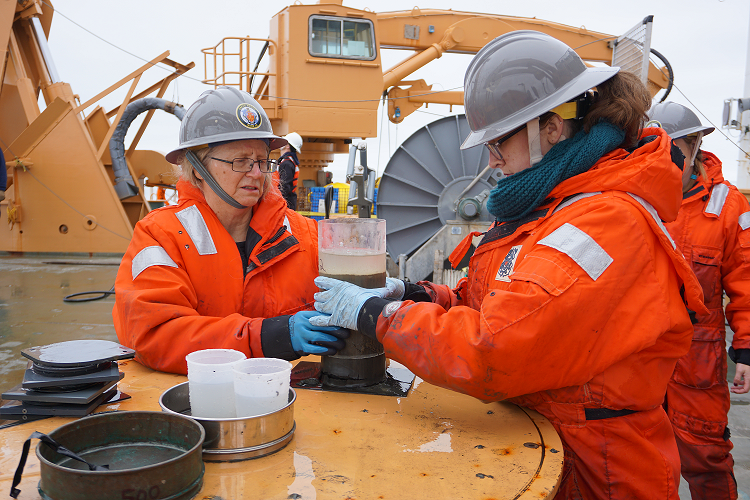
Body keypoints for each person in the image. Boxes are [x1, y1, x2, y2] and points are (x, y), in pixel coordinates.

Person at [311, 31, 707, 499]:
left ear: (552, 129)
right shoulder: (554, 207)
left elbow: (497, 348)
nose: (492, 158)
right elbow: (503, 303)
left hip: (599, 469)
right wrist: (422, 296)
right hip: (548, 440)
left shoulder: (604, 222)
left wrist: (377, 316)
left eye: (499, 141)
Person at [112, 87, 347, 374]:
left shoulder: (304, 234)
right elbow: (154, 334)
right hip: (201, 402)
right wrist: (267, 337)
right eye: (240, 161)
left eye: (262, 161)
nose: (257, 173)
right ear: (197, 168)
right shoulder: (161, 236)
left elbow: (355, 298)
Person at [648, 101, 750, 500]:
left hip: (699, 361)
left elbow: (745, 278)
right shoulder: (636, 197)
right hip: (640, 356)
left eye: (671, 148)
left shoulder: (727, 206)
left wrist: (744, 351)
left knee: (706, 459)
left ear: (693, 146)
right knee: (645, 461)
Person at [277, 132, 301, 210]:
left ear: (287, 146)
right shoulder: (290, 162)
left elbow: (284, 186)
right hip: (289, 201)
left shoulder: (287, 163)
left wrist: (278, 202)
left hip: (286, 203)